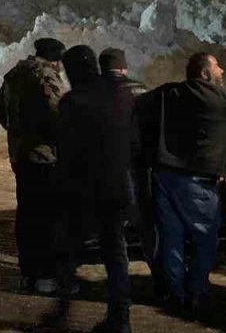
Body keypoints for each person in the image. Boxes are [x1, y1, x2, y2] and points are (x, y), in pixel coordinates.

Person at [142, 52, 226, 317]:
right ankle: (197, 294)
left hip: (166, 179)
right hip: (198, 184)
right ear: (204, 73)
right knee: (204, 241)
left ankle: (175, 294)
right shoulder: (220, 97)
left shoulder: (169, 94)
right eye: (217, 66)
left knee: (172, 240)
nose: (222, 71)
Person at [56, 45, 139, 333]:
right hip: (118, 187)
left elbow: (65, 152)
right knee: (116, 254)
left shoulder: (72, 101)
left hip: (82, 190)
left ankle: (62, 312)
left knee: (68, 251)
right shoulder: (120, 95)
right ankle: (121, 319)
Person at [0, 37, 68, 294]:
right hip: (43, 156)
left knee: (26, 215)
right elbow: (58, 114)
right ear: (55, 59)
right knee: (46, 216)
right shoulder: (45, 76)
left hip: (20, 155)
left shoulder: (15, 74)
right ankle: (45, 276)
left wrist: (16, 131)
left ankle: (28, 273)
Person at [100, 47, 161, 302]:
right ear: (124, 67)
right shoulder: (140, 89)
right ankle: (161, 280)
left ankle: (120, 287)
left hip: (106, 168)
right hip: (138, 166)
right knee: (148, 225)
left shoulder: (92, 91)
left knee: (112, 230)